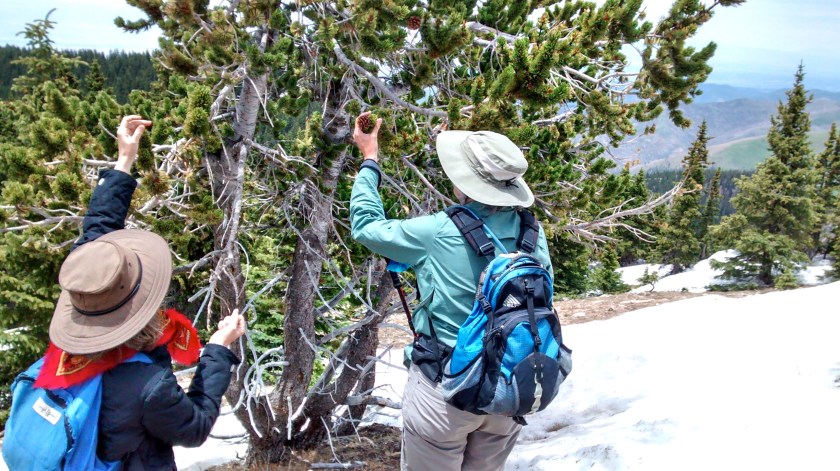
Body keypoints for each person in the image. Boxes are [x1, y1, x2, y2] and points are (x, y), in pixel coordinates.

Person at [349, 113, 554, 471]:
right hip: (506, 390)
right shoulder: (532, 233)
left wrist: (370, 159)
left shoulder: (437, 231)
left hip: (444, 392)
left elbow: (366, 227)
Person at [40, 115, 246, 470]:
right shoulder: (145, 385)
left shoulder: (79, 312)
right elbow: (194, 427)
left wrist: (124, 160)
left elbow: (98, 234)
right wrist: (218, 349)